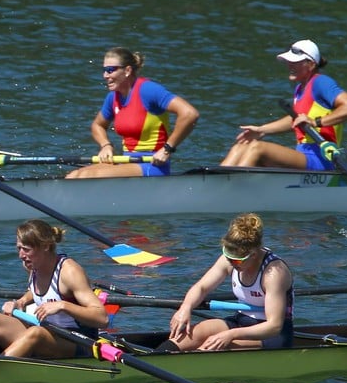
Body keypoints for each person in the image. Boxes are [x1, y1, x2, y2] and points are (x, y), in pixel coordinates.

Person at [0, 219, 109, 357]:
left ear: (45, 246)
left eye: (26, 249)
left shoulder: (70, 272)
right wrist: (21, 302)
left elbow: (102, 318)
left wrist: (63, 305)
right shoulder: (32, 265)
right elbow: (37, 291)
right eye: (19, 248)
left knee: (36, 333)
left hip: (79, 342)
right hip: (49, 333)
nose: (21, 255)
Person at [220, 39, 347, 169]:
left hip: (321, 157)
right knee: (241, 146)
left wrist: (316, 122)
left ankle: (232, 189)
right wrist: (262, 130)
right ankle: (217, 182)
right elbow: (295, 120)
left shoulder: (321, 82)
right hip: (303, 153)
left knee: (257, 148)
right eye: (289, 61)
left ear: (311, 64)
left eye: (295, 62)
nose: (289, 65)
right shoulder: (300, 88)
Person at [164, 212, 294, 351]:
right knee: (192, 333)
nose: (231, 263)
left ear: (254, 255)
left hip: (271, 335)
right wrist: (185, 308)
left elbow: (274, 326)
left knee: (211, 346)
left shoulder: (274, 274)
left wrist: (230, 335)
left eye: (236, 260)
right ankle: (157, 357)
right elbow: (202, 287)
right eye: (228, 256)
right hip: (240, 321)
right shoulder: (231, 260)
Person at [65, 47, 199, 179]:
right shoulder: (113, 97)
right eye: (104, 70)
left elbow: (189, 114)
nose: (105, 75)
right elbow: (97, 125)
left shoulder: (148, 90)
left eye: (110, 70)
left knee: (87, 176)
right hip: (127, 161)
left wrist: (167, 149)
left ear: (127, 70)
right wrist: (105, 145)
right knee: (74, 176)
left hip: (152, 164)